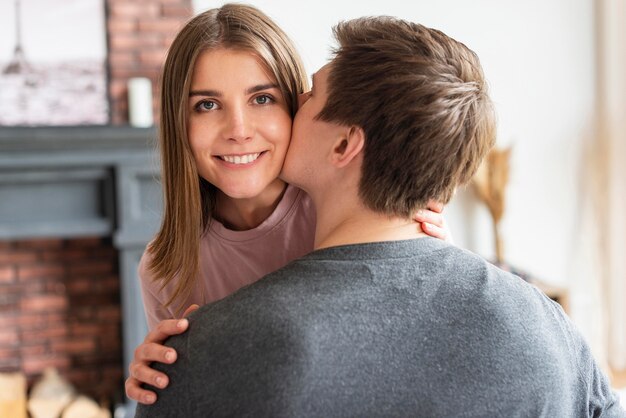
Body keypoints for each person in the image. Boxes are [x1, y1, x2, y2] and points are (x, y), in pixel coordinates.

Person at [135, 15, 625, 417]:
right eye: (206, 105)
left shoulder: (218, 348)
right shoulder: (544, 321)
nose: (241, 129)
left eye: (273, 97)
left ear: (346, 143)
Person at [125, 3, 450, 405]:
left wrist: (428, 251)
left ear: (297, 105)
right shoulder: (165, 269)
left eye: (261, 98)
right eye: (207, 105)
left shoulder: (347, 213)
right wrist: (160, 380)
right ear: (179, 123)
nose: (238, 131)